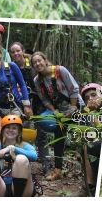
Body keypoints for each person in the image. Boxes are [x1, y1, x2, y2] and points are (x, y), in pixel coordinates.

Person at [31, 51, 81, 181]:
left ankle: (82, 159)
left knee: (83, 132)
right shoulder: (37, 80)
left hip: (75, 105)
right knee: (56, 132)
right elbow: (45, 100)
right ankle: (58, 170)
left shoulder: (59, 70)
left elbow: (74, 88)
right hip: (59, 111)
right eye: (34, 62)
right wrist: (54, 111)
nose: (37, 63)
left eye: (39, 60)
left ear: (45, 60)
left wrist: (73, 107)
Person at [0, 42, 32, 150]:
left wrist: (26, 104)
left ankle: (13, 159)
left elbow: (22, 84)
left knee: (13, 134)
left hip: (15, 106)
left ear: (1, 53)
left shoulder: (12, 66)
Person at [0, 115, 37, 197]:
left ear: (19, 131)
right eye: (8, 127)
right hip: (1, 186)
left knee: (21, 159)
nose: (10, 130)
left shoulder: (25, 146)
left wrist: (12, 149)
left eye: (14, 128)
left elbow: (34, 156)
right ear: (2, 131)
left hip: (24, 188)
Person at [79, 83, 102, 195]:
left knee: (92, 145)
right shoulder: (87, 115)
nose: (90, 99)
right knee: (86, 144)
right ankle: (90, 184)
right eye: (87, 98)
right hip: (93, 149)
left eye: (93, 95)